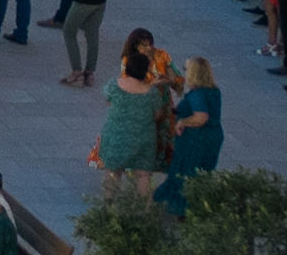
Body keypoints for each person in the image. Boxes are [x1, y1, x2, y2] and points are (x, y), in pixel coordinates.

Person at [157, 58, 224, 215]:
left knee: (186, 172)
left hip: (196, 139)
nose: (184, 72)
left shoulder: (197, 95)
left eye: (186, 69)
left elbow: (201, 117)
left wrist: (183, 123)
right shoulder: (213, 91)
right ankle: (200, 206)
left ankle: (183, 210)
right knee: (203, 171)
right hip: (213, 136)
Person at [96, 48, 165, 198]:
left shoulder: (113, 86)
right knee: (143, 175)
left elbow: (109, 102)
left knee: (113, 171)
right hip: (143, 139)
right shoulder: (152, 93)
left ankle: (108, 206)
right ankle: (142, 210)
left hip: (115, 136)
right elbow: (158, 115)